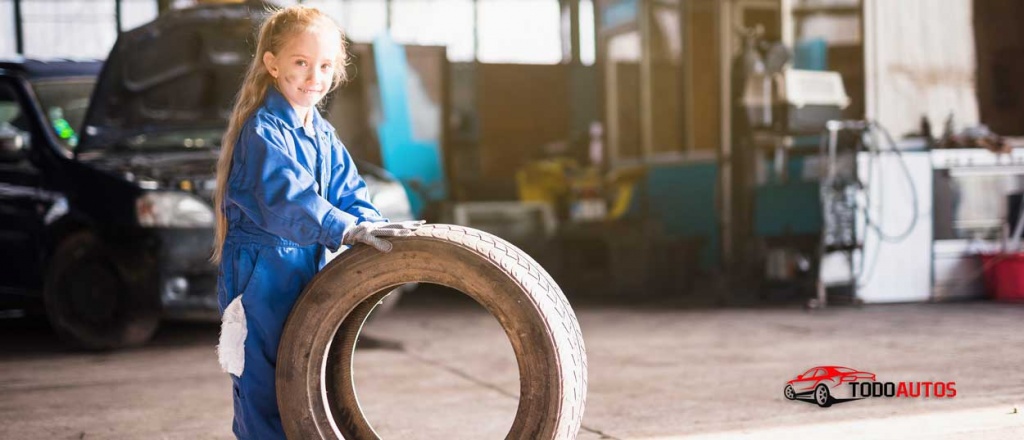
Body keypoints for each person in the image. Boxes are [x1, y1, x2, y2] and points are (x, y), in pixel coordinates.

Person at [210, 5, 422, 439]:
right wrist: (342, 229)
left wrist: (370, 225)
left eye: (325, 66)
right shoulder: (263, 131)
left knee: (304, 383)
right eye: (301, 63)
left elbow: (348, 190)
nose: (313, 77)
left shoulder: (322, 132)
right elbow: (287, 200)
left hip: (308, 268)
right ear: (272, 64)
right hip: (261, 277)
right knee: (263, 389)